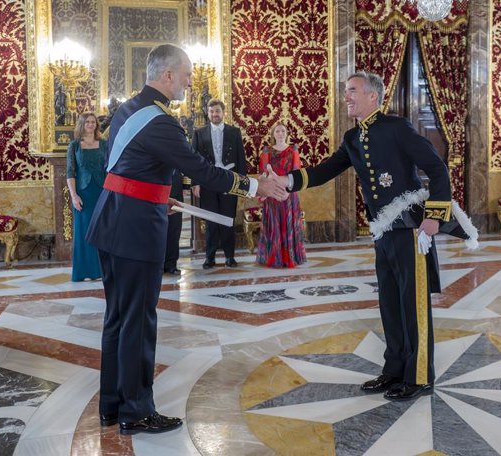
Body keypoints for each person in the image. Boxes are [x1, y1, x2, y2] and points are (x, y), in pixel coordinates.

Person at [85, 43, 287, 435]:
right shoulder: (161, 122)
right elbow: (201, 170)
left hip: (112, 222)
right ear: (167, 76)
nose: (191, 83)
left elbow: (127, 166)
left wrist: (159, 195)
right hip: (134, 231)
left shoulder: (128, 108)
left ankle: (113, 405)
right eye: (188, 75)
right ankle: (136, 411)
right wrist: (253, 186)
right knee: (138, 322)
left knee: (118, 319)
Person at [272, 71, 459, 401]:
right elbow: (324, 169)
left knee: (412, 305)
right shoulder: (353, 138)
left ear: (373, 96)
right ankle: (394, 369)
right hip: (382, 231)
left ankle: (418, 377)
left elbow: (438, 168)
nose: (347, 96)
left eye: (352, 91)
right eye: (345, 91)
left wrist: (434, 216)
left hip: (410, 230)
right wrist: (287, 181)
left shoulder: (397, 128)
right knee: (389, 302)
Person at [192, 99, 247, 269]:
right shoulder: (199, 133)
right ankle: (210, 257)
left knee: (227, 219)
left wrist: (241, 183)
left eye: (217, 111)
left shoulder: (234, 132)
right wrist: (195, 183)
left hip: (229, 180)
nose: (215, 114)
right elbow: (194, 161)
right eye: (211, 111)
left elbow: (240, 159)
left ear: (223, 113)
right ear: (207, 114)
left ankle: (230, 257)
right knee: (211, 221)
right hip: (208, 182)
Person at [256, 122, 306, 268]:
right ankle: (275, 257)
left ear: (287, 133)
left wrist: (287, 189)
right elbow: (263, 174)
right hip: (272, 193)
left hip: (288, 192)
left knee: (288, 223)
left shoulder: (293, 150)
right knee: (274, 224)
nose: (280, 133)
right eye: (277, 131)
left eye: (283, 131)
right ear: (273, 134)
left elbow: (296, 172)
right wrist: (268, 189)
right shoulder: (267, 151)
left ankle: (289, 257)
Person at [66, 113, 107, 282]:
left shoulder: (104, 144)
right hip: (83, 193)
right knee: (83, 230)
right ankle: (83, 271)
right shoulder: (74, 145)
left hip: (102, 191)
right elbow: (70, 172)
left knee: (102, 230)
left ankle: (102, 270)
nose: (90, 124)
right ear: (81, 124)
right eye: (87, 122)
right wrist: (74, 195)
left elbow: (110, 168)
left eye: (93, 122)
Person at [163, 170, 183, 275]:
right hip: (157, 193)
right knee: (158, 232)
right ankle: (159, 264)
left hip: (175, 193)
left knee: (174, 230)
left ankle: (171, 264)